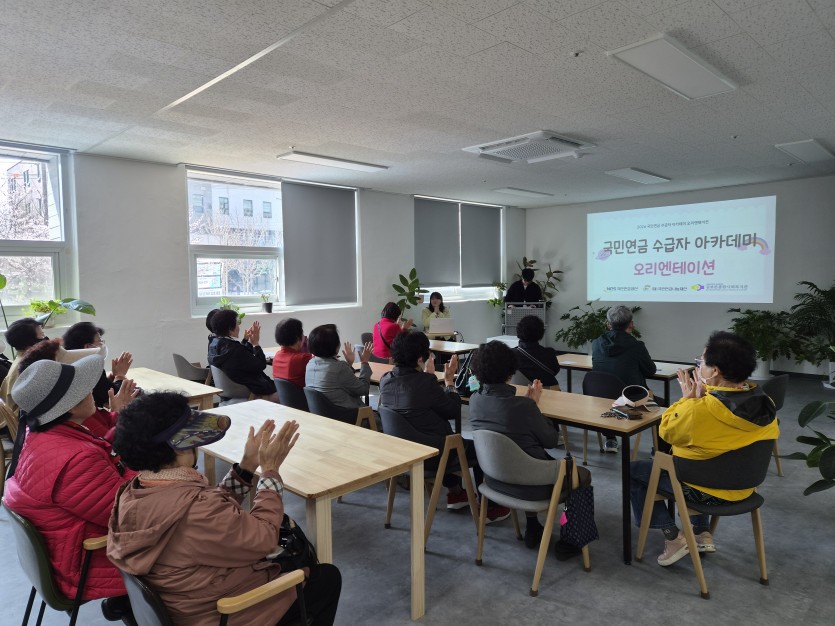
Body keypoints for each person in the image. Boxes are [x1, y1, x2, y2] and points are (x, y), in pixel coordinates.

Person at [107, 392, 342, 625]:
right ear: (179, 447)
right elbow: (265, 537)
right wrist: (270, 472)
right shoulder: (197, 509)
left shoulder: (135, 492)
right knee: (326, 578)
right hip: (225, 613)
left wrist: (246, 467)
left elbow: (211, 514)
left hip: (188, 605)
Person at [4, 354, 139, 625]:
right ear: (68, 406)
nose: (91, 392)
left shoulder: (41, 435)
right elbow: (129, 516)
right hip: (86, 563)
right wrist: (159, 468)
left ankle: (125, 604)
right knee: (192, 538)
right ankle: (143, 608)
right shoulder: (77, 458)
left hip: (62, 551)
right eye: (82, 389)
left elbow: (103, 461)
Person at [630, 331, 779, 568]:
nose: (698, 366)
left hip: (705, 492)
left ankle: (673, 537)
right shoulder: (765, 403)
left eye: (701, 362)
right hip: (745, 488)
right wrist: (703, 397)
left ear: (715, 370)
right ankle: (702, 533)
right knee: (704, 458)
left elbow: (666, 432)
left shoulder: (699, 410)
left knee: (634, 472)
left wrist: (687, 400)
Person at [468, 341, 591, 550]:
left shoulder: (475, 400)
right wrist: (533, 405)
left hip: (495, 481)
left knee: (523, 454)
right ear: (510, 371)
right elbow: (550, 440)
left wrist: (528, 405)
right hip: (532, 488)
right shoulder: (523, 407)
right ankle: (572, 538)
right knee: (582, 475)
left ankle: (533, 526)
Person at [379, 332, 510, 523]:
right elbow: (452, 409)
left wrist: (428, 378)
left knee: (440, 435)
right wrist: (449, 382)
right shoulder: (425, 383)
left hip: (403, 451)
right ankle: (491, 506)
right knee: (479, 448)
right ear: (420, 359)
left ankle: (456, 493)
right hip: (432, 454)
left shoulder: (385, 379)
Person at [591, 305, 658, 453]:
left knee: (609, 390)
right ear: (631, 324)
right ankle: (660, 450)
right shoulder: (637, 346)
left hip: (600, 397)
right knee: (665, 408)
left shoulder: (596, 343)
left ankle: (610, 439)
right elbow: (650, 371)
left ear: (608, 324)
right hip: (631, 399)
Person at [208, 309, 278, 400]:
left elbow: (241, 358)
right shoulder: (235, 349)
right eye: (237, 324)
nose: (238, 327)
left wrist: (246, 341)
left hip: (231, 392)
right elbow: (261, 365)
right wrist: (256, 344)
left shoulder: (214, 344)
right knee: (288, 393)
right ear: (230, 328)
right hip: (252, 392)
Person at [63, 322, 133, 409]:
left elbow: (101, 389)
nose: (103, 344)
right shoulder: (87, 369)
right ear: (88, 346)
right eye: (100, 341)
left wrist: (112, 376)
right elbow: (118, 399)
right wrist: (120, 375)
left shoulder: (73, 362)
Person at [305, 324, 373, 411]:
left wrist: (349, 364)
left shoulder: (310, 364)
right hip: (348, 415)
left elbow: (340, 383)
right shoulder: (339, 368)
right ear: (336, 347)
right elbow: (363, 390)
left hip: (323, 415)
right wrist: (364, 362)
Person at [0, 318, 46, 415]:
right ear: (30, 343)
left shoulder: (24, 360)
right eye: (42, 335)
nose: (46, 339)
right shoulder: (25, 368)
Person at [514, 315, 560, 388]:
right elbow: (555, 371)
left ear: (518, 331)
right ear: (541, 332)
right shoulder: (549, 353)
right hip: (547, 391)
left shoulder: (510, 354)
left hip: (519, 392)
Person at [273, 318, 313, 389]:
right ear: (298, 337)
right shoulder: (303, 359)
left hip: (285, 396)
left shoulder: (277, 356)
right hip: (303, 395)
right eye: (302, 333)